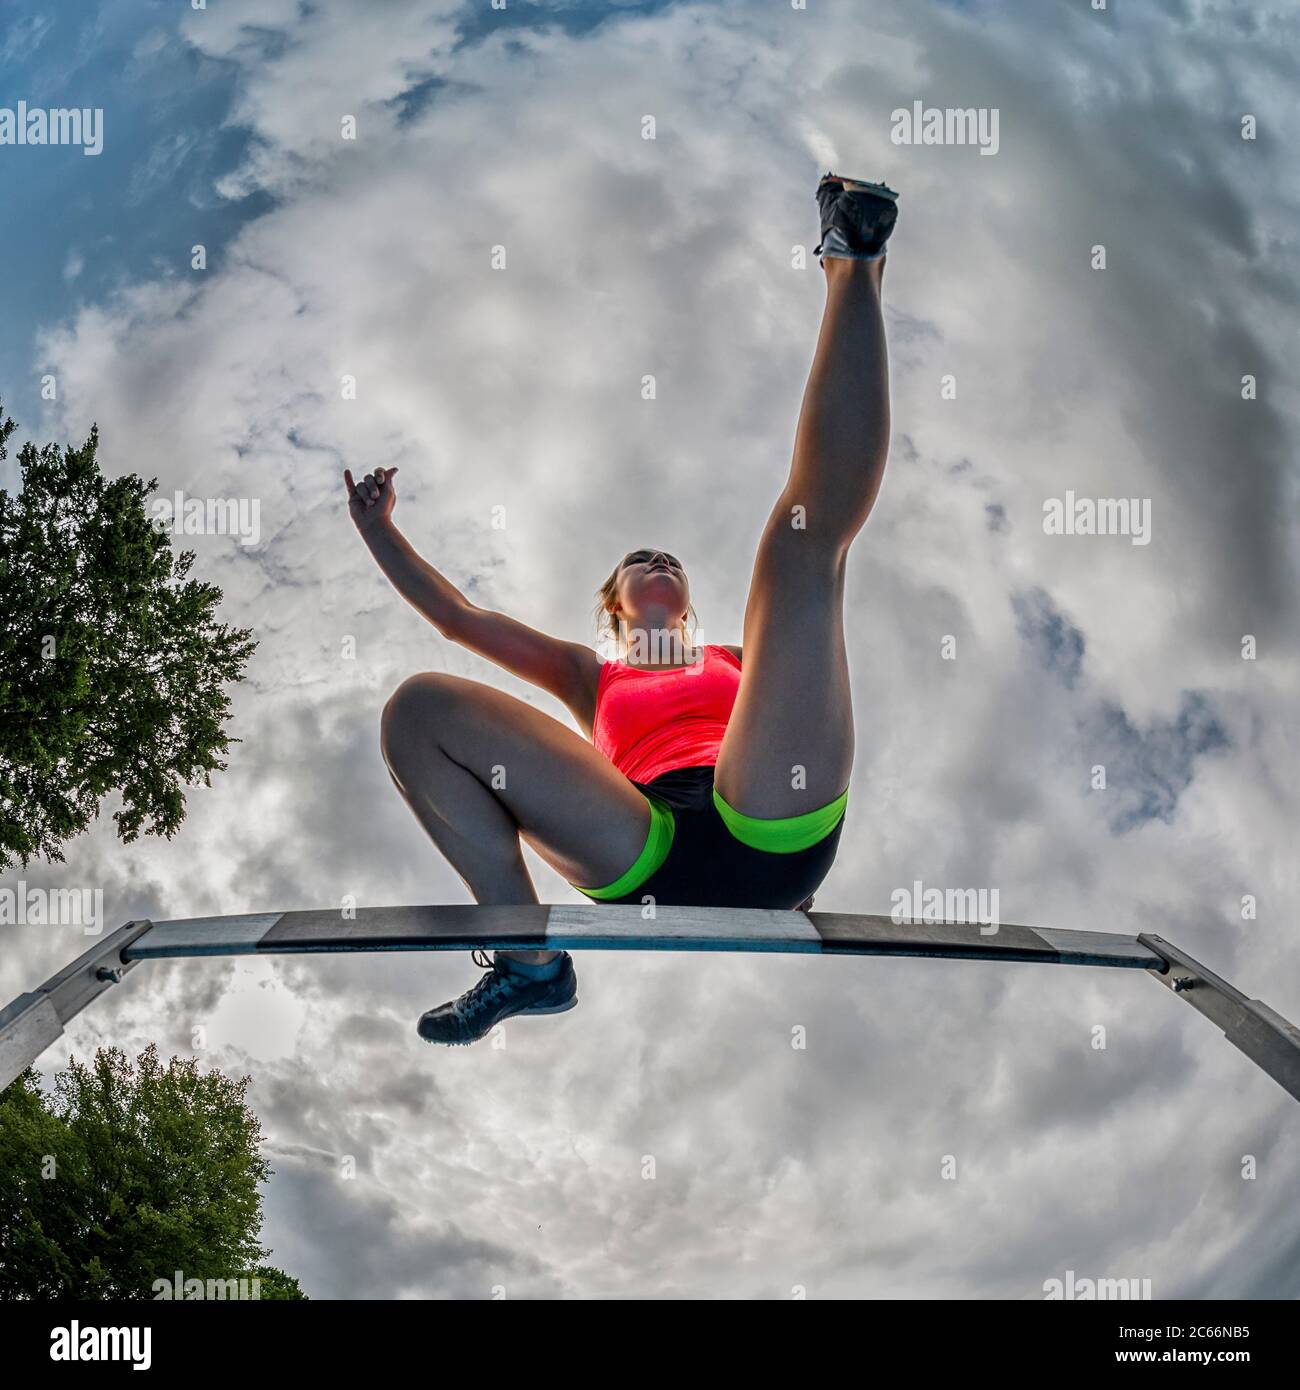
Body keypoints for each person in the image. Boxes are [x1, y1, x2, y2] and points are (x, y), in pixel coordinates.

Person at [344, 172, 898, 1045]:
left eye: (671, 559)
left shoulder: (738, 664)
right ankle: (526, 963)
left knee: (797, 548)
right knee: (420, 712)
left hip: (767, 826)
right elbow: (459, 619)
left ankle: (852, 261)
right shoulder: (585, 674)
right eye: (642, 559)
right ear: (614, 601)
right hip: (640, 847)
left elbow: (806, 702)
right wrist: (379, 533)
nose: (659, 560)